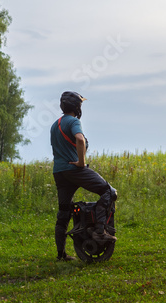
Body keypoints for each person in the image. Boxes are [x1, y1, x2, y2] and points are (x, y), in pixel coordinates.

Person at [50, 91, 117, 262]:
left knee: (64, 211)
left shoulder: (54, 125)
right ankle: (100, 231)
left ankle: (61, 254)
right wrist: (81, 162)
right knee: (109, 192)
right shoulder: (74, 121)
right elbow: (79, 139)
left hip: (59, 172)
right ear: (77, 107)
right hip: (74, 170)